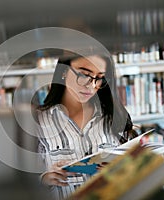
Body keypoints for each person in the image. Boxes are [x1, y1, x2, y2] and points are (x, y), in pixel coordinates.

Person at [35, 49, 137, 200]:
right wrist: (44, 180)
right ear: (63, 71)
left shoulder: (114, 119)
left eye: (99, 78)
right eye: (84, 74)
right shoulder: (38, 123)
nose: (91, 85)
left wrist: (122, 174)